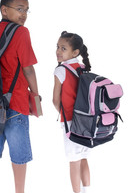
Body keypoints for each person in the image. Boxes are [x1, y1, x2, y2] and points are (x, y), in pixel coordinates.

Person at [0, 0, 40, 193]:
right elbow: (28, 68)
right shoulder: (22, 32)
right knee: (19, 158)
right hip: (16, 104)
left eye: (27, 10)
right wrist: (36, 97)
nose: (24, 14)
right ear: (4, 9)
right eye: (20, 9)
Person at [53, 31, 91, 193]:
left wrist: (63, 113)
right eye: (57, 47)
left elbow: (55, 100)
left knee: (73, 162)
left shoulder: (61, 70)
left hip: (70, 122)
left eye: (63, 48)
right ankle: (87, 190)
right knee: (83, 159)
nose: (58, 51)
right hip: (86, 121)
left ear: (75, 52)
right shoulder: (83, 68)